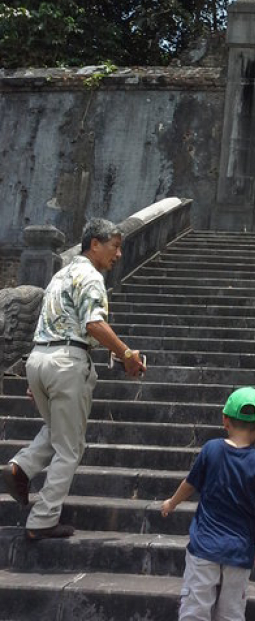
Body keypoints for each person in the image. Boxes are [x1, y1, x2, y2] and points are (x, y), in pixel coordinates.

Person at [1, 217, 146, 540]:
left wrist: (35, 375)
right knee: (71, 447)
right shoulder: (91, 277)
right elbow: (94, 324)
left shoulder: (61, 274)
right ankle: (43, 518)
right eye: (115, 246)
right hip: (67, 362)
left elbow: (50, 321)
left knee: (56, 429)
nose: (119, 254)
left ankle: (20, 468)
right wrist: (126, 354)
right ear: (94, 244)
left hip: (39, 358)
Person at [161, 386, 255, 621]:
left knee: (195, 609)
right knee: (231, 613)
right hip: (239, 550)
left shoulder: (211, 450)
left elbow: (190, 484)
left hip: (204, 546)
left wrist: (171, 503)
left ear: (225, 420)